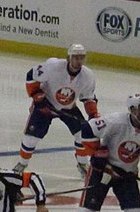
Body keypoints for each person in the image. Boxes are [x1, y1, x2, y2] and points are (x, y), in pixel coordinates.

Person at [13, 44, 99, 175]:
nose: (78, 61)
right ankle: (21, 164)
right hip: (45, 105)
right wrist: (36, 96)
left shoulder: (88, 75)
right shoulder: (53, 66)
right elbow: (31, 76)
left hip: (68, 108)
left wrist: (93, 115)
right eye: (75, 57)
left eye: (81, 57)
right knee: (31, 137)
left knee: (82, 134)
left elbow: (88, 98)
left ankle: (82, 163)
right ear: (68, 57)